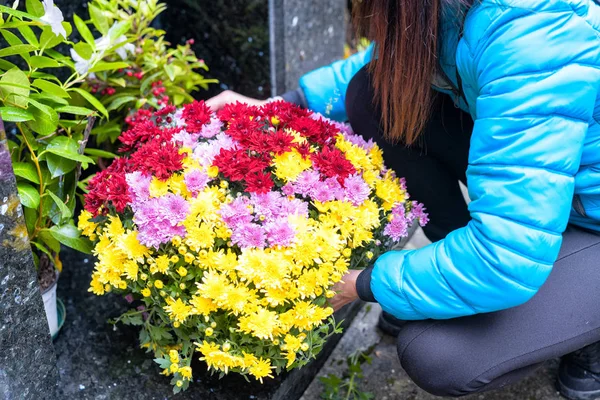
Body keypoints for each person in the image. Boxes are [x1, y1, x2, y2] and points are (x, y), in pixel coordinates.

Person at [207, 0, 600, 398]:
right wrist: (290, 105)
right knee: (375, 94)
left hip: (590, 220)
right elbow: (408, 43)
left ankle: (588, 337)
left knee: (438, 353)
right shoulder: (459, 9)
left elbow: (505, 257)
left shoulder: (532, 33)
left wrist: (363, 283)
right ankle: (454, 275)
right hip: (550, 198)